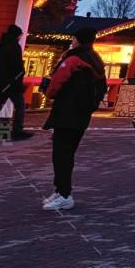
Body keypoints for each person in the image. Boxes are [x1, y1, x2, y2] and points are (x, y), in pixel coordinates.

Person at [40, 28, 107, 211]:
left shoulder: (73, 59)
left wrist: (49, 93)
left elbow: (56, 83)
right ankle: (61, 190)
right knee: (68, 152)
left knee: (61, 153)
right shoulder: (96, 60)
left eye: (74, 38)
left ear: (77, 40)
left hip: (66, 111)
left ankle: (64, 194)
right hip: (83, 113)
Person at [0, 23, 30, 143]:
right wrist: (19, 78)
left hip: (1, 83)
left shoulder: (1, 46)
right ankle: (17, 130)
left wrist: (1, 78)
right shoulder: (15, 47)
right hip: (13, 84)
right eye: (20, 35)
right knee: (20, 106)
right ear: (17, 35)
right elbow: (18, 67)